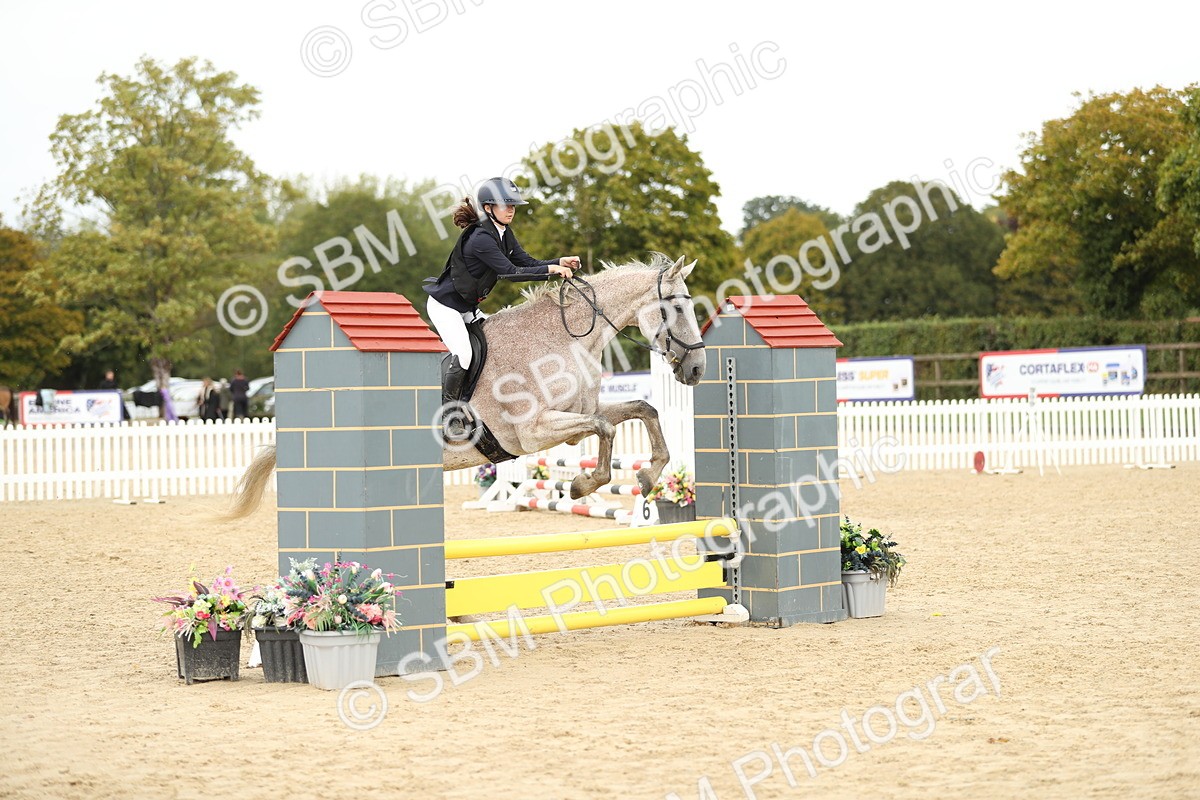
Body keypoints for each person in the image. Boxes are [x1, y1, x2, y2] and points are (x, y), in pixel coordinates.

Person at [423, 176, 580, 435]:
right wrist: (551, 270)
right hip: (446, 307)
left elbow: (526, 261)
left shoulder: (503, 233)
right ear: (488, 208)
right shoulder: (480, 239)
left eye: (513, 206)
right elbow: (510, 271)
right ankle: (449, 415)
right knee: (464, 355)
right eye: (505, 205)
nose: (511, 210)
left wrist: (558, 261)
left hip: (468, 307)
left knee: (494, 347)